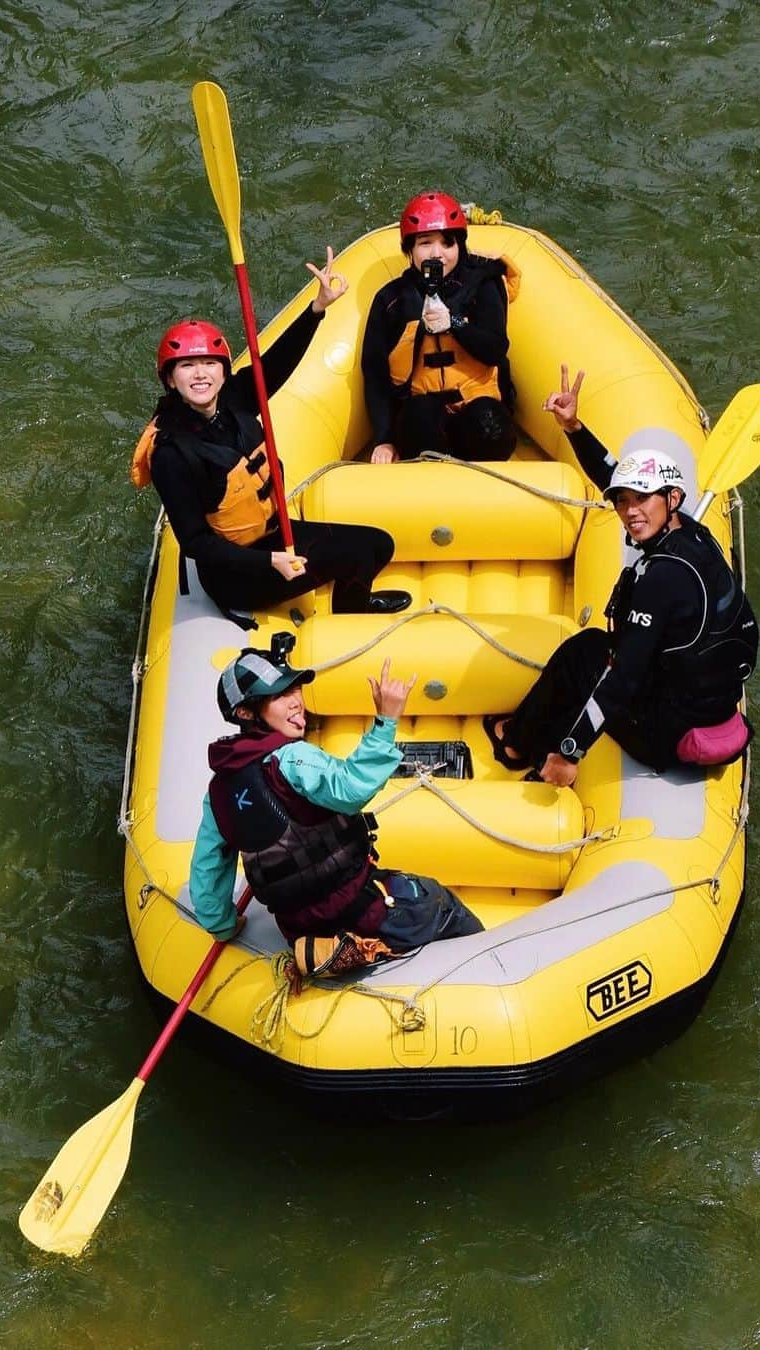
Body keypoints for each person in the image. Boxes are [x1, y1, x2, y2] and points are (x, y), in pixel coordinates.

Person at [483, 367, 759, 784]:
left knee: (585, 653)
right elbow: (614, 474)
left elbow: (623, 678)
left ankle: (516, 744)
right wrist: (573, 427)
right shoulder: (695, 535)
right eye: (622, 501)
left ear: (673, 498)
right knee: (602, 649)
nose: (631, 511)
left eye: (642, 499)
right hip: (707, 706)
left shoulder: (661, 580)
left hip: (672, 735)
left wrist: (570, 750)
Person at [131, 247, 411, 625]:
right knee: (360, 553)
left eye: (209, 364)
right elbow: (196, 543)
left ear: (223, 371)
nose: (200, 375)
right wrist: (270, 561)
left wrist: (317, 308)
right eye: (187, 366)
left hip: (275, 537)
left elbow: (276, 363)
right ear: (170, 378)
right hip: (239, 573)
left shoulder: (234, 398)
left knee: (380, 543)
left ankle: (349, 604)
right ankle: (353, 618)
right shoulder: (172, 452)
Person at [190, 636, 484, 967]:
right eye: (278, 695)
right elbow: (351, 789)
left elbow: (207, 874)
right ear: (246, 712)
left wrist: (224, 925)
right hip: (360, 911)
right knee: (443, 904)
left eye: (294, 689)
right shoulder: (292, 759)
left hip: (299, 930)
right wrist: (386, 721)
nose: (295, 701)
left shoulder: (216, 793)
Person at [362, 191, 518, 464]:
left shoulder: (482, 285)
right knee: (418, 416)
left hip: (476, 402)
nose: (437, 254)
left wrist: (454, 324)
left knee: (488, 423)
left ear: (460, 246)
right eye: (425, 243)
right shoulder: (393, 301)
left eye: (447, 243)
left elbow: (495, 350)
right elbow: (375, 375)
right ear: (409, 250)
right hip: (425, 412)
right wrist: (384, 438)